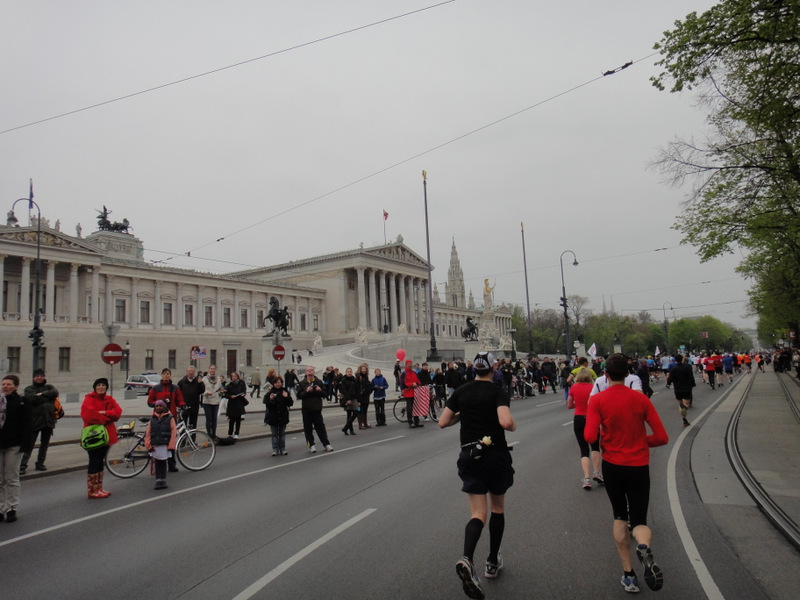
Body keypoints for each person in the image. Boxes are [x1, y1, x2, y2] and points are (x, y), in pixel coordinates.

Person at [585, 354, 668, 594]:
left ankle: (629, 575)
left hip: (613, 464)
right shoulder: (641, 400)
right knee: (639, 519)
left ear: (606, 374)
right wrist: (641, 441)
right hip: (639, 464)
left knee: (620, 516)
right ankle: (643, 546)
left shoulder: (598, 400)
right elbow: (662, 437)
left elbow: (590, 437)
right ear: (628, 373)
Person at [439, 352, 516, 600]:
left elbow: (443, 422)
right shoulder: (497, 391)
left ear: (474, 369)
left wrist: (463, 415)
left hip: (470, 456)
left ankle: (467, 558)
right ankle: (492, 561)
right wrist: (512, 424)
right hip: (495, 456)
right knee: (498, 508)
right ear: (493, 368)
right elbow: (505, 422)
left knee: (477, 514)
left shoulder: (461, 391)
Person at [80, 378, 123, 500]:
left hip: (106, 436)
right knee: (94, 460)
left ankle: (99, 487)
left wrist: (105, 412)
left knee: (100, 461)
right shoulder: (88, 399)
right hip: (93, 436)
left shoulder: (109, 399)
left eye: (103, 385)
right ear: (94, 387)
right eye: (98, 385)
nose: (101, 387)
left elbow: (118, 413)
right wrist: (106, 418)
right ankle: (92, 490)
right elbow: (89, 416)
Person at [0, 374, 33, 522]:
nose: (5, 386)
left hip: (14, 445)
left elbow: (27, 424)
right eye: (3, 384)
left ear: (16, 386)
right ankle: (0, 509)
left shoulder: (22, 402)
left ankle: (12, 508)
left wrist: (26, 445)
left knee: (11, 477)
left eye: (8, 384)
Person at [567, 368, 602, 490]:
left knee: (583, 449)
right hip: (591, 418)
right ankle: (597, 472)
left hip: (578, 418)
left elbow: (569, 405)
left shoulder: (574, 388)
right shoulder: (593, 388)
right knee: (595, 446)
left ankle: (586, 479)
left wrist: (579, 404)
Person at [20, 368, 59, 474]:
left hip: (48, 421)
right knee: (29, 444)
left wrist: (41, 394)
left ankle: (40, 463)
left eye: (41, 376)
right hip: (34, 421)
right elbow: (31, 399)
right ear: (33, 377)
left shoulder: (49, 387)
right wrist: (48, 397)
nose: (39, 378)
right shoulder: (29, 388)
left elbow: (55, 393)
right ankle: (22, 465)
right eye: (37, 376)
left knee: (44, 444)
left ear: (44, 377)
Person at [147, 368, 185, 471]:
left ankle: (171, 465)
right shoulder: (155, 388)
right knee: (158, 441)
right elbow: (149, 402)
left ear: (170, 375)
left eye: (168, 374)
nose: (166, 375)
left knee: (171, 441)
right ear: (161, 375)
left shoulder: (175, 388)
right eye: (164, 374)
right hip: (158, 418)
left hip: (171, 417)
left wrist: (182, 405)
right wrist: (159, 403)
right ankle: (158, 463)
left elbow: (180, 400)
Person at [297, 366, 333, 453]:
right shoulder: (302, 383)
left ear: (314, 372)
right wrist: (306, 391)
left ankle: (326, 444)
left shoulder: (319, 382)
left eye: (311, 370)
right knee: (308, 428)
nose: (310, 372)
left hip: (316, 409)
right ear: (305, 373)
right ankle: (311, 445)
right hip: (306, 409)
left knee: (320, 427)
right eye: (308, 371)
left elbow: (325, 394)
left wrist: (319, 390)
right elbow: (299, 395)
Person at [144, 400, 177, 490]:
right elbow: (148, 432)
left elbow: (173, 431)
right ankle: (158, 480)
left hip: (165, 444)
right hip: (155, 445)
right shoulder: (152, 419)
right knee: (157, 463)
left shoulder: (170, 418)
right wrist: (148, 445)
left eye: (160, 406)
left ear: (164, 407)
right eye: (157, 406)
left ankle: (163, 479)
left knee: (163, 462)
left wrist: (171, 445)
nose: (158, 407)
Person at [265, 375, 293, 456]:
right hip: (273, 416)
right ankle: (275, 449)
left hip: (282, 416)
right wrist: (271, 399)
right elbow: (268, 406)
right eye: (276, 383)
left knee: (282, 434)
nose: (278, 384)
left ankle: (282, 448)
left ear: (282, 383)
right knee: (274, 434)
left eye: (279, 382)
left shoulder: (285, 391)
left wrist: (286, 397)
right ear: (273, 384)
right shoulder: (270, 393)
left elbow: (290, 403)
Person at [666, 354, 695, 426]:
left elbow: (670, 379)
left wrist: (668, 383)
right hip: (686, 388)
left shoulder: (673, 369)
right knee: (687, 405)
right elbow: (691, 376)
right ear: (682, 359)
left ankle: (684, 419)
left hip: (677, 388)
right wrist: (692, 384)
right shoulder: (688, 367)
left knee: (680, 403)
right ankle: (684, 413)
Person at [177, 365, 205, 431]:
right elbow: (178, 393)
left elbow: (202, 391)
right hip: (184, 406)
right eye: (189, 371)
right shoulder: (182, 382)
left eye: (192, 371)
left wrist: (200, 383)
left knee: (193, 425)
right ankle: (183, 440)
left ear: (194, 372)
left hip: (194, 407)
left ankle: (192, 440)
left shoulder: (197, 381)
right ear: (187, 372)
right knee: (183, 425)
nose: (190, 373)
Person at [224, 371, 248, 439]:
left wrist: (244, 394)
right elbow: (226, 394)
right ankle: (230, 433)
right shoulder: (229, 385)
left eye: (235, 376)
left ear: (237, 377)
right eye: (233, 376)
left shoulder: (241, 383)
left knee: (238, 419)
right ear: (231, 378)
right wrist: (230, 396)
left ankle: (237, 433)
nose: (234, 378)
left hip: (239, 402)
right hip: (232, 403)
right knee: (231, 420)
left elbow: (244, 390)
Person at [201, 365, 223, 440]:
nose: (212, 370)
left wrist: (221, 391)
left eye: (214, 369)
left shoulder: (218, 379)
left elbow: (219, 388)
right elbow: (201, 390)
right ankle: (209, 434)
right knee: (209, 418)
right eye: (211, 369)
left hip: (215, 401)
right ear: (209, 370)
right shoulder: (204, 379)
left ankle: (213, 434)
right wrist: (206, 393)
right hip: (207, 401)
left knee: (214, 419)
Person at [400, 360, 423, 428]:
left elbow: (418, 381)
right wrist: (411, 384)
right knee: (410, 408)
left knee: (416, 407)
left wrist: (417, 383)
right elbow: (403, 383)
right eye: (408, 364)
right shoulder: (404, 373)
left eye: (410, 364)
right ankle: (410, 421)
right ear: (406, 365)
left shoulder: (414, 373)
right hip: (408, 392)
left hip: (415, 392)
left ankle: (416, 421)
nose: (410, 365)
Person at [339, 367, 358, 435]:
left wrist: (358, 400)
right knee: (349, 414)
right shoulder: (344, 380)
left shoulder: (354, 379)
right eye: (348, 371)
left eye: (350, 371)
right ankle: (351, 430)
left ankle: (345, 427)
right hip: (347, 399)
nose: (349, 373)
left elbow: (357, 389)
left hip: (354, 398)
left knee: (356, 412)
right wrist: (348, 399)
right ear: (346, 372)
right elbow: (344, 390)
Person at [355, 363, 373, 429]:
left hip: (366, 396)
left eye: (365, 369)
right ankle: (360, 424)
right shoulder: (358, 377)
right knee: (359, 410)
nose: (364, 370)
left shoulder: (366, 376)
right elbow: (357, 387)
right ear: (360, 369)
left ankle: (365, 423)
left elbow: (367, 385)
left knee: (365, 410)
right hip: (360, 396)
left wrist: (369, 391)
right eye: (363, 369)